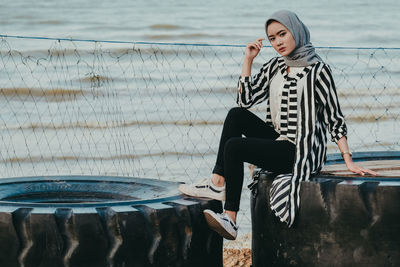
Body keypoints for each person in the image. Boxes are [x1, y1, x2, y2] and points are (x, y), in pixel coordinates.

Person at [178, 10, 377, 240]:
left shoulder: (318, 72)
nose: (278, 42)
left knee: (234, 147)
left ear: (297, 31)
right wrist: (248, 60)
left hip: (299, 152)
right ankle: (217, 182)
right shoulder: (275, 67)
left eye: (282, 34)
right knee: (236, 115)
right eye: (272, 38)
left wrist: (348, 160)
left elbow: (335, 118)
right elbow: (245, 101)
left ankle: (230, 218)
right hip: (279, 140)